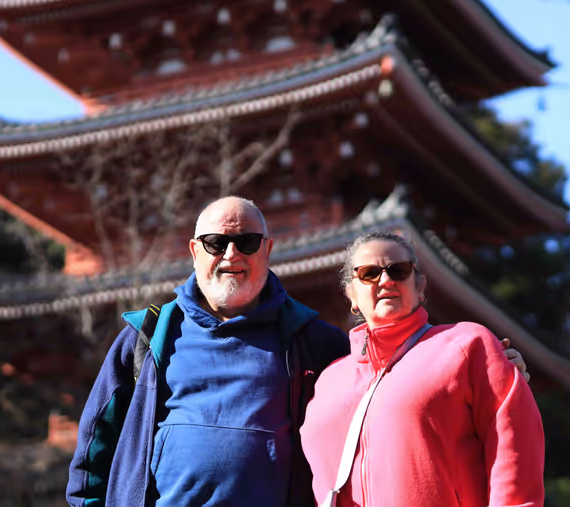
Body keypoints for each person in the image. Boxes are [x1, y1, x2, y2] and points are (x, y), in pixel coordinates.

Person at [67, 197, 530, 507]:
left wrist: (491, 371)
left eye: (247, 241)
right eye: (216, 243)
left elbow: (383, 381)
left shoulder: (313, 342)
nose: (232, 252)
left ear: (267, 250)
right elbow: (92, 452)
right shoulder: (148, 336)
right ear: (194, 250)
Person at [300, 230, 545, 507]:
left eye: (399, 270)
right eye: (369, 273)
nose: (386, 280)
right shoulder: (327, 380)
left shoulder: (467, 345)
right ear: (351, 294)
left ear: (420, 286)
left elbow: (514, 446)